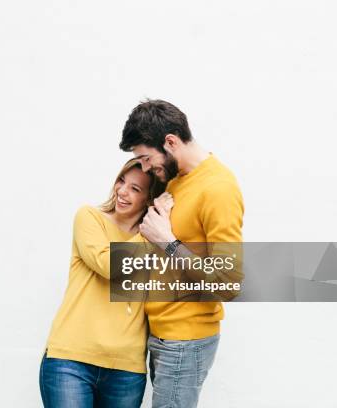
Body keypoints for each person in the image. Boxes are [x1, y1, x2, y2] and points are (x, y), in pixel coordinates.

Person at [119, 99, 244, 408]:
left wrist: (169, 242)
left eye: (146, 158)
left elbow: (229, 284)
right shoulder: (174, 180)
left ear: (170, 142)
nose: (145, 168)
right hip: (160, 335)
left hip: (185, 340)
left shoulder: (218, 188)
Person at [40, 159, 169, 408]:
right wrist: (150, 232)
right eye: (122, 181)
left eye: (135, 189)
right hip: (70, 361)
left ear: (148, 199)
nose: (122, 191)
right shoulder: (90, 218)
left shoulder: (157, 244)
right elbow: (109, 265)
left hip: (126, 370)